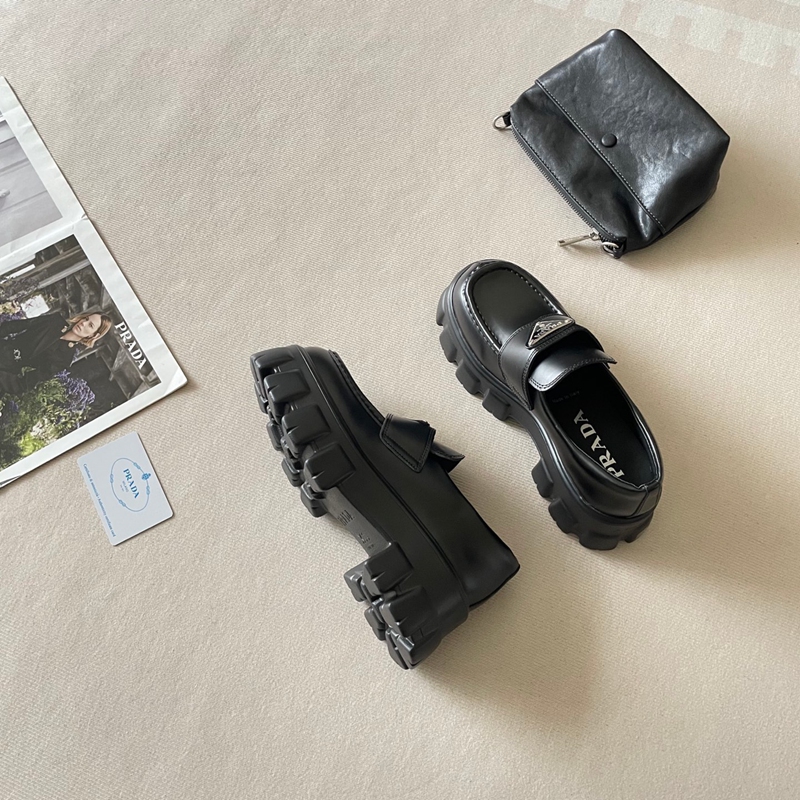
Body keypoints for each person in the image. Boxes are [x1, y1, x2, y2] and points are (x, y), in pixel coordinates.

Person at [0, 310, 112, 397]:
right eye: (86, 319)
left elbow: (25, 384)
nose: (83, 323)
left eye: (90, 325)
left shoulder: (64, 358)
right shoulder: (54, 321)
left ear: (94, 335)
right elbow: (14, 326)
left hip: (6, 371)